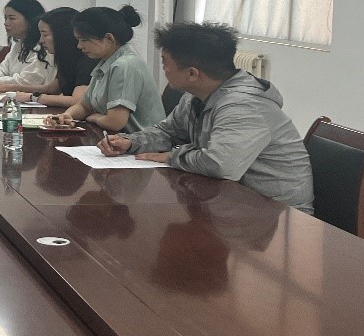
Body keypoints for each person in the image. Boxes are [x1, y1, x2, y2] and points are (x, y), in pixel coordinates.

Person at [96, 22, 314, 213]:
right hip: (230, 202)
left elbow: (220, 164)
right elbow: (168, 132)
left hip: (276, 215)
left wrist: (171, 157)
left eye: (165, 63)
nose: (164, 69)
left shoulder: (243, 106)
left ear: (192, 73)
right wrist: (131, 142)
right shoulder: (197, 95)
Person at [45, 5, 164, 133]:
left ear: (108, 38)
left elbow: (115, 122)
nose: (79, 46)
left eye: (84, 40)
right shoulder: (105, 63)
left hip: (140, 141)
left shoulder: (125, 65)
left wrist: (94, 118)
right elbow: (84, 106)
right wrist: (68, 115)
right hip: (116, 138)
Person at [12, 7, 98, 107]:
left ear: (62, 35)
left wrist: (33, 97)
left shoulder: (88, 59)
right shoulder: (67, 57)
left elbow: (77, 100)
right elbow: (51, 89)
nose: (41, 41)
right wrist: (10, 87)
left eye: (45, 35)